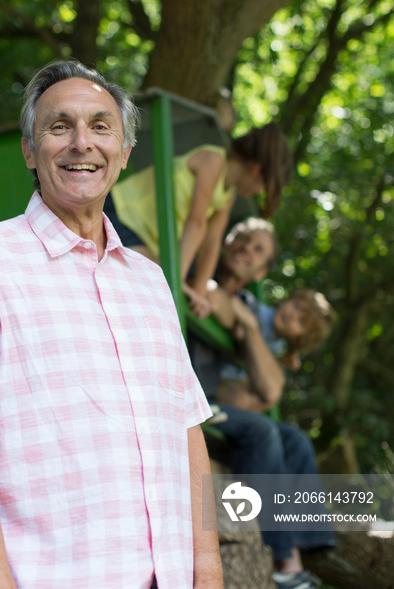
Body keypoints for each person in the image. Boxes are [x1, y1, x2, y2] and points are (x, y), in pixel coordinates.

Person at [0, 59, 223, 589]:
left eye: (101, 126)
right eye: (59, 126)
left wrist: (209, 571)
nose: (81, 143)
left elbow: (187, 430)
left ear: (125, 153)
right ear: (29, 150)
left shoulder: (151, 282)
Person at [188, 219, 335, 589]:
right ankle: (283, 559)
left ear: (263, 270)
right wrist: (240, 319)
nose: (246, 251)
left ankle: (309, 549)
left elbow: (270, 390)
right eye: (244, 241)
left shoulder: (250, 308)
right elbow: (216, 299)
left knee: (295, 440)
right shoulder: (197, 270)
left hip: (216, 400)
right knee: (262, 429)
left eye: (258, 250)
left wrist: (248, 326)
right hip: (194, 399)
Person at [105, 123, 292, 316]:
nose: (260, 192)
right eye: (264, 186)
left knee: (152, 274)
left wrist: (199, 292)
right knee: (151, 277)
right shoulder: (213, 160)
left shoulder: (229, 194)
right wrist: (176, 282)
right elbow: (196, 223)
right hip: (121, 214)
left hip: (144, 239)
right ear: (256, 169)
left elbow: (212, 242)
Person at [212, 287, 338, 403]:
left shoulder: (279, 348)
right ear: (287, 300)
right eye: (296, 306)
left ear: (301, 339)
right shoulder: (254, 310)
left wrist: (280, 361)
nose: (292, 316)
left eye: (302, 322)